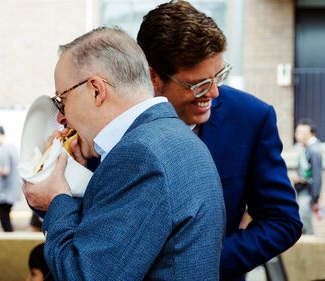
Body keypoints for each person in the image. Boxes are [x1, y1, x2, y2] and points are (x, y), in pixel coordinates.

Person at [23, 27, 225, 280]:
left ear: (96, 90)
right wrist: (72, 183)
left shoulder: (139, 155)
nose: (62, 117)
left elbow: (85, 274)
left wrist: (56, 201)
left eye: (62, 99)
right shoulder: (179, 138)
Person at [136, 1, 302, 280]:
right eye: (198, 84)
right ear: (154, 76)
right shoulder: (115, 118)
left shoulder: (252, 118)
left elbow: (282, 222)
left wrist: (204, 262)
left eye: (219, 76)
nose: (213, 93)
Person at [0, 126, 22, 232]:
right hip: (13, 190)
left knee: (5, 220)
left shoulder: (5, 149)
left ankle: (10, 242)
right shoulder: (12, 147)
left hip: (6, 192)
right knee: (7, 219)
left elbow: (5, 171)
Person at [293, 119, 322, 234]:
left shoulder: (314, 150)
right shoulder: (308, 149)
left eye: (300, 132)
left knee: (305, 224)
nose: (297, 136)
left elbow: (316, 176)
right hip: (304, 193)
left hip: (307, 194)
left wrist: (315, 198)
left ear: (309, 133)